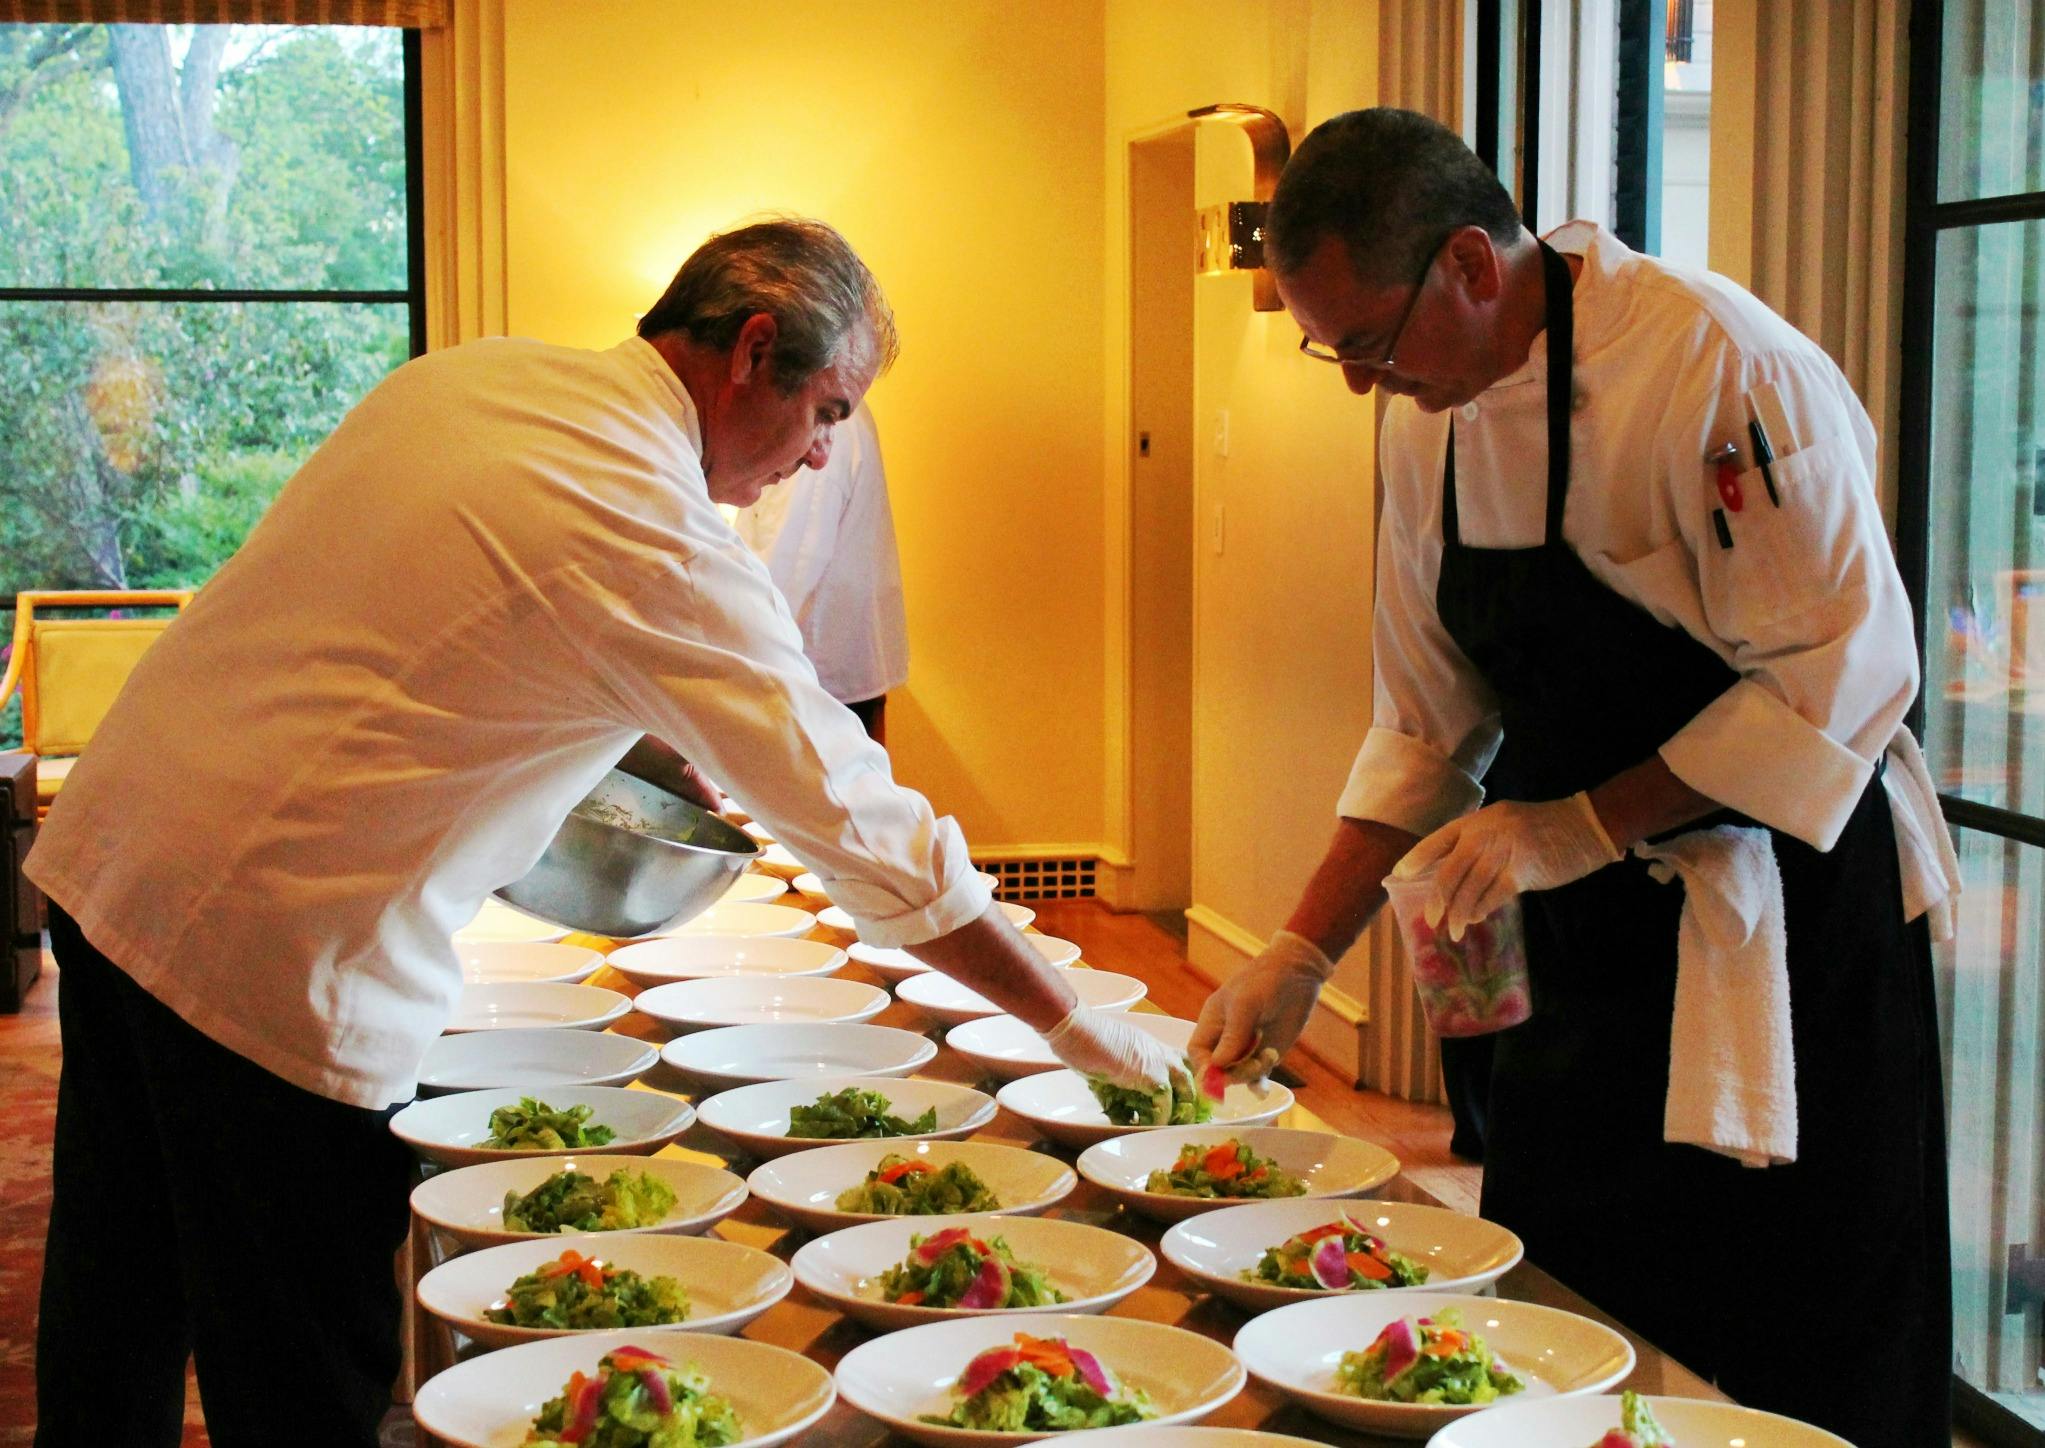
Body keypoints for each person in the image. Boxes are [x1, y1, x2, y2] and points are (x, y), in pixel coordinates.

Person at [25, 218, 1182, 1448]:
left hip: (119, 853)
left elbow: (429, 630)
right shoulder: (651, 523)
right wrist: (1065, 1017)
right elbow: (860, 820)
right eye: (827, 412)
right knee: (302, 1364)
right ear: (752, 351)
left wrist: (628, 734)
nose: (819, 453)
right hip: (269, 944)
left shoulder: (483, 376)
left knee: (118, 1300)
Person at [1186, 109, 1957, 1444]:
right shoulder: (1426, 419)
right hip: (1581, 929)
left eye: (1367, 341)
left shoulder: (1719, 367)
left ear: (1468, 265)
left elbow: (1836, 680)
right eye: (1333, 351)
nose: (1361, 383)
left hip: (1785, 922)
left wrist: (1584, 821)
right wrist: (1301, 949)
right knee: (1563, 1297)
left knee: (1803, 1327)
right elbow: (1426, 726)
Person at [733, 399, 907, 742]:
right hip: (813, 676)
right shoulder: (821, 412)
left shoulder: (824, 427)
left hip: (814, 685)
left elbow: (785, 576)